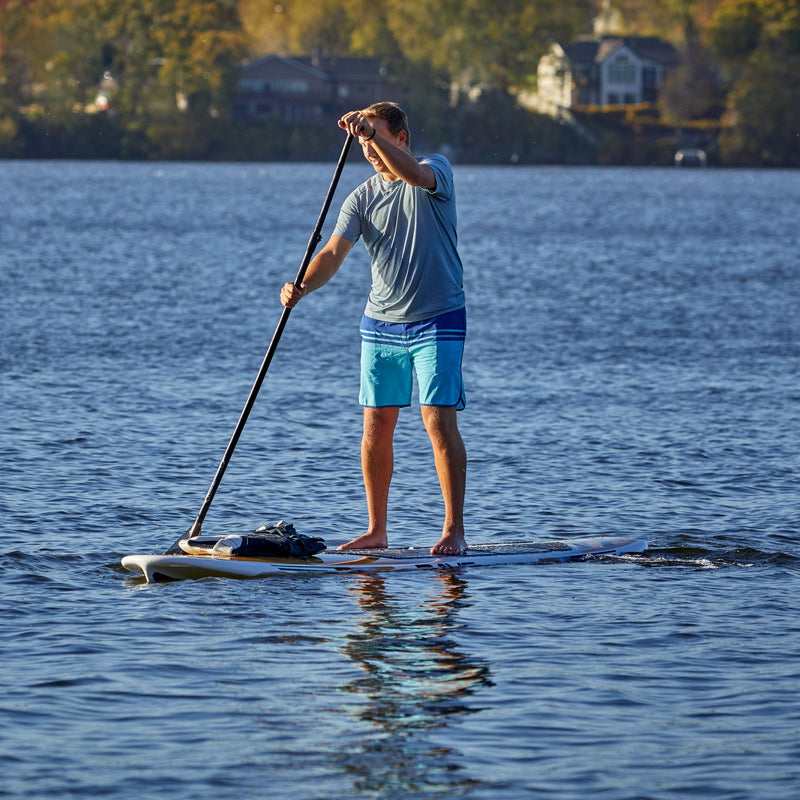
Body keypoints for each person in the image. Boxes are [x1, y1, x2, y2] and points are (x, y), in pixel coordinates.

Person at [280, 102, 467, 555]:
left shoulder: (433, 170)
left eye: (376, 136)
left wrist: (372, 134)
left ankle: (453, 531)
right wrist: (301, 285)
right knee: (375, 428)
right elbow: (331, 255)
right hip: (381, 325)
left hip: (438, 318)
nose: (366, 147)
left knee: (437, 422)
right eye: (362, 140)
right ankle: (377, 531)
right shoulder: (361, 198)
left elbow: (414, 176)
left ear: (400, 136)